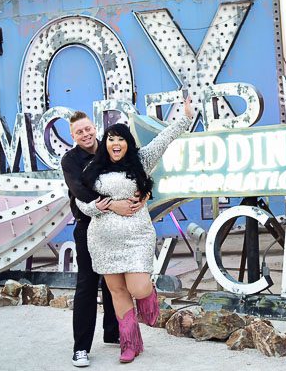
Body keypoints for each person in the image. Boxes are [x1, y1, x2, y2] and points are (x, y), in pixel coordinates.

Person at [75, 98, 194, 363]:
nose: (115, 144)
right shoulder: (93, 168)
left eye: (120, 139)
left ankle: (148, 294)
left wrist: (185, 118)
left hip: (137, 236)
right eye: (110, 139)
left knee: (137, 287)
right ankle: (130, 343)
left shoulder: (142, 159)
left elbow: (165, 138)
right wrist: (104, 206)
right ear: (105, 144)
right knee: (117, 292)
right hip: (103, 240)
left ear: (127, 142)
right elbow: (82, 203)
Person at [61, 111, 148, 368]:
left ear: (94, 128)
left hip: (122, 226)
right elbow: (81, 193)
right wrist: (114, 205)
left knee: (116, 283)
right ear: (72, 136)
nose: (86, 135)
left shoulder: (111, 146)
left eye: (88, 129)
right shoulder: (70, 160)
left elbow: (136, 173)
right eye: (79, 132)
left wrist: (144, 192)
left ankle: (114, 332)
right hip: (90, 225)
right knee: (87, 285)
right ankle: (81, 348)